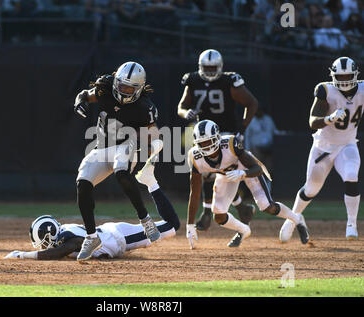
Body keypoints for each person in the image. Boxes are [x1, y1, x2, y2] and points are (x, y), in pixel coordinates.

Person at [5, 145, 181, 260]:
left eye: (43, 243)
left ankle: (150, 181)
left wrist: (23, 255)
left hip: (120, 238)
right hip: (113, 234)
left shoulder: (66, 238)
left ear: (49, 235)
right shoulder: (64, 233)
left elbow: (62, 250)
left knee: (172, 226)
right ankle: (150, 180)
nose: (43, 247)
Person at [72, 61, 161, 261]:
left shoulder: (145, 107)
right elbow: (85, 94)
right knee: (83, 183)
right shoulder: (105, 88)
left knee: (121, 171)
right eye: (121, 86)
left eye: (130, 88)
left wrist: (153, 147)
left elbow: (154, 134)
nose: (124, 91)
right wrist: (80, 102)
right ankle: (91, 237)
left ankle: (145, 219)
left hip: (126, 146)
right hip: (102, 147)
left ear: (138, 89)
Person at [186, 120, 309, 248]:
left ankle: (297, 219)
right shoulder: (195, 157)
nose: (206, 147)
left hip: (245, 169)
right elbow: (194, 193)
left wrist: (243, 173)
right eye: (202, 143)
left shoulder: (230, 144)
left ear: (217, 137)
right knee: (219, 215)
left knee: (267, 206)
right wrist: (189, 224)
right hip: (225, 175)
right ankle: (244, 230)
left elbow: (257, 168)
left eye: (208, 141)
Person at [280, 57, 362, 242]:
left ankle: (351, 224)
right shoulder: (326, 90)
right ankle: (292, 219)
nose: (344, 80)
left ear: (355, 74)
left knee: (351, 175)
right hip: (323, 147)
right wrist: (329, 118)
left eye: (348, 76)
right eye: (340, 77)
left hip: (347, 144)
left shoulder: (362, 89)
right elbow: (312, 122)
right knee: (311, 189)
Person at [177, 49, 258, 232]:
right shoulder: (193, 80)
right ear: (200, 67)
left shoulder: (230, 81)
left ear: (220, 67)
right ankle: (237, 208)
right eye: (207, 68)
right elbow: (181, 107)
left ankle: (212, 212)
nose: (211, 71)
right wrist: (185, 113)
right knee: (207, 171)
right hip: (204, 134)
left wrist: (242, 129)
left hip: (226, 132)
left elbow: (252, 103)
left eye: (214, 67)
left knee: (220, 172)